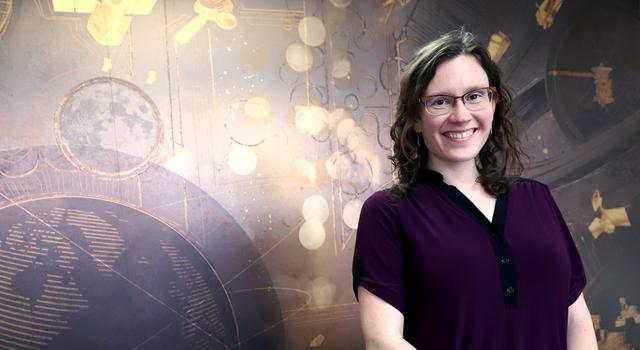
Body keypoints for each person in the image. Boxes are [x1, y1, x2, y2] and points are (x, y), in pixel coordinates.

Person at [351, 28, 598, 350]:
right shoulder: (388, 212)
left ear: (493, 103)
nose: (461, 115)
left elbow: (575, 318)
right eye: (440, 102)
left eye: (474, 96)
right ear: (414, 117)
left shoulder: (537, 198)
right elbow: (381, 339)